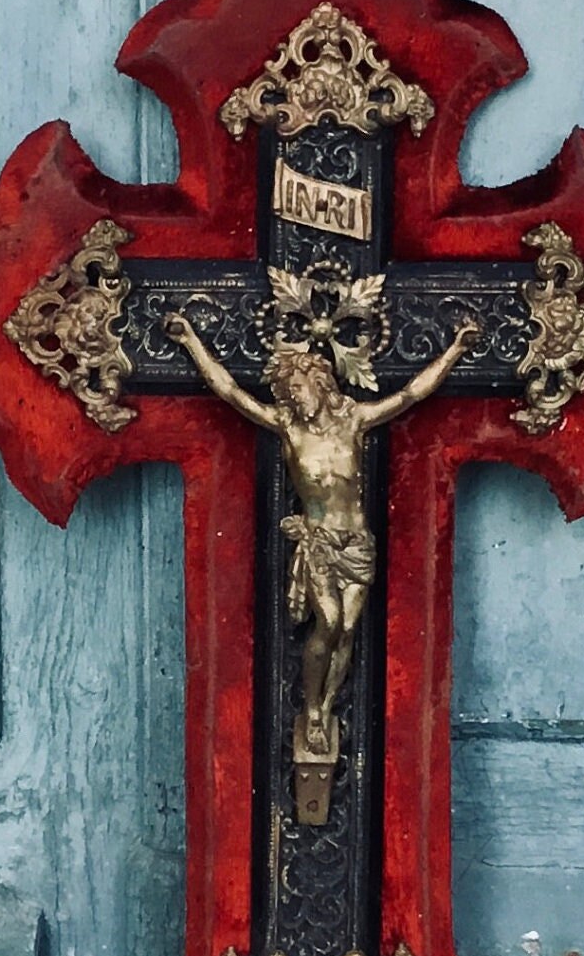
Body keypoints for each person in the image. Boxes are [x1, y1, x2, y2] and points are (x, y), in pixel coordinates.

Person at [165, 306, 478, 816]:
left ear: (320, 382)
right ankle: (311, 708)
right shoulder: (288, 428)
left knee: (349, 629)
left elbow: (412, 394)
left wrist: (456, 351)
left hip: (357, 544)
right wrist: (191, 342)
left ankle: (326, 705)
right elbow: (229, 392)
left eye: (300, 388)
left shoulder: (353, 419)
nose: (295, 398)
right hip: (317, 545)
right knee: (327, 623)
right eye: (289, 392)